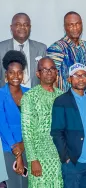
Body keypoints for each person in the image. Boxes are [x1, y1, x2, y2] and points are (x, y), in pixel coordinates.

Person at [50, 63, 86, 188]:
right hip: (74, 161)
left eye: (84, 75)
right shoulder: (61, 101)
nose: (81, 79)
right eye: (76, 75)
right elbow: (57, 132)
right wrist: (66, 157)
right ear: (69, 79)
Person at [21, 57, 64, 187]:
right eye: (44, 69)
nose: (49, 72)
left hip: (59, 155)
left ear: (56, 72)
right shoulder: (30, 97)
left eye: (52, 69)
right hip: (39, 156)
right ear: (38, 74)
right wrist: (33, 159)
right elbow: (27, 131)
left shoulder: (62, 95)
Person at [0, 50, 29, 188]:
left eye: (19, 72)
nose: (16, 76)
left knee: (26, 184)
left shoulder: (29, 94)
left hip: (28, 148)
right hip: (8, 149)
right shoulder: (1, 95)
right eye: (11, 72)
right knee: (13, 185)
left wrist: (24, 145)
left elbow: (33, 124)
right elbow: (3, 125)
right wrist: (17, 152)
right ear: (6, 75)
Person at [47, 11, 86, 92]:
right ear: (65, 27)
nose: (75, 28)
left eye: (78, 24)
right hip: (65, 99)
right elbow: (51, 77)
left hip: (84, 97)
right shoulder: (57, 47)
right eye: (71, 25)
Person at [0, 13, 47, 88]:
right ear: (11, 27)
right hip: (7, 96)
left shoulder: (41, 48)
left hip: (34, 96)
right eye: (18, 24)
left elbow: (45, 78)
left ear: (30, 27)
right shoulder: (1, 48)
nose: (22, 27)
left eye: (26, 25)